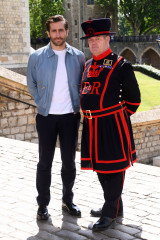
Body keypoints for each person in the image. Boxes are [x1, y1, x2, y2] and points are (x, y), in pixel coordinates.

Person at [80, 18, 141, 231]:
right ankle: (115, 205)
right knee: (100, 168)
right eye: (90, 39)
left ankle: (109, 212)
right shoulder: (87, 65)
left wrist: (116, 117)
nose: (93, 43)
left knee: (114, 169)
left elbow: (134, 100)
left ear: (108, 39)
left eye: (97, 38)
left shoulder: (121, 65)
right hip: (91, 125)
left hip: (112, 125)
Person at [27, 15, 85, 220]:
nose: (58, 34)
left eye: (61, 30)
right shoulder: (36, 57)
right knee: (44, 163)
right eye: (54, 31)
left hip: (70, 117)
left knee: (69, 163)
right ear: (48, 33)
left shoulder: (78, 56)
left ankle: (68, 201)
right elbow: (31, 84)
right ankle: (42, 204)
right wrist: (42, 102)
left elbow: (83, 85)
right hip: (46, 117)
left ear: (67, 31)